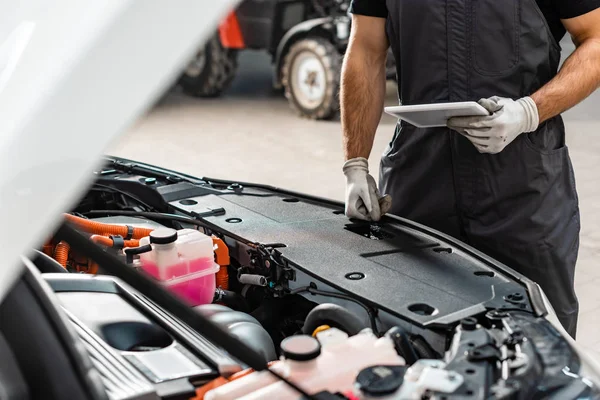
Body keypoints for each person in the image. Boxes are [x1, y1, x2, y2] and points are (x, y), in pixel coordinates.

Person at [341, 1, 600, 338]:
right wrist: (355, 163)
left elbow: (595, 40)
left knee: (538, 340)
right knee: (414, 337)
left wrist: (528, 112)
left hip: (523, 189)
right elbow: (365, 50)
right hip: (419, 183)